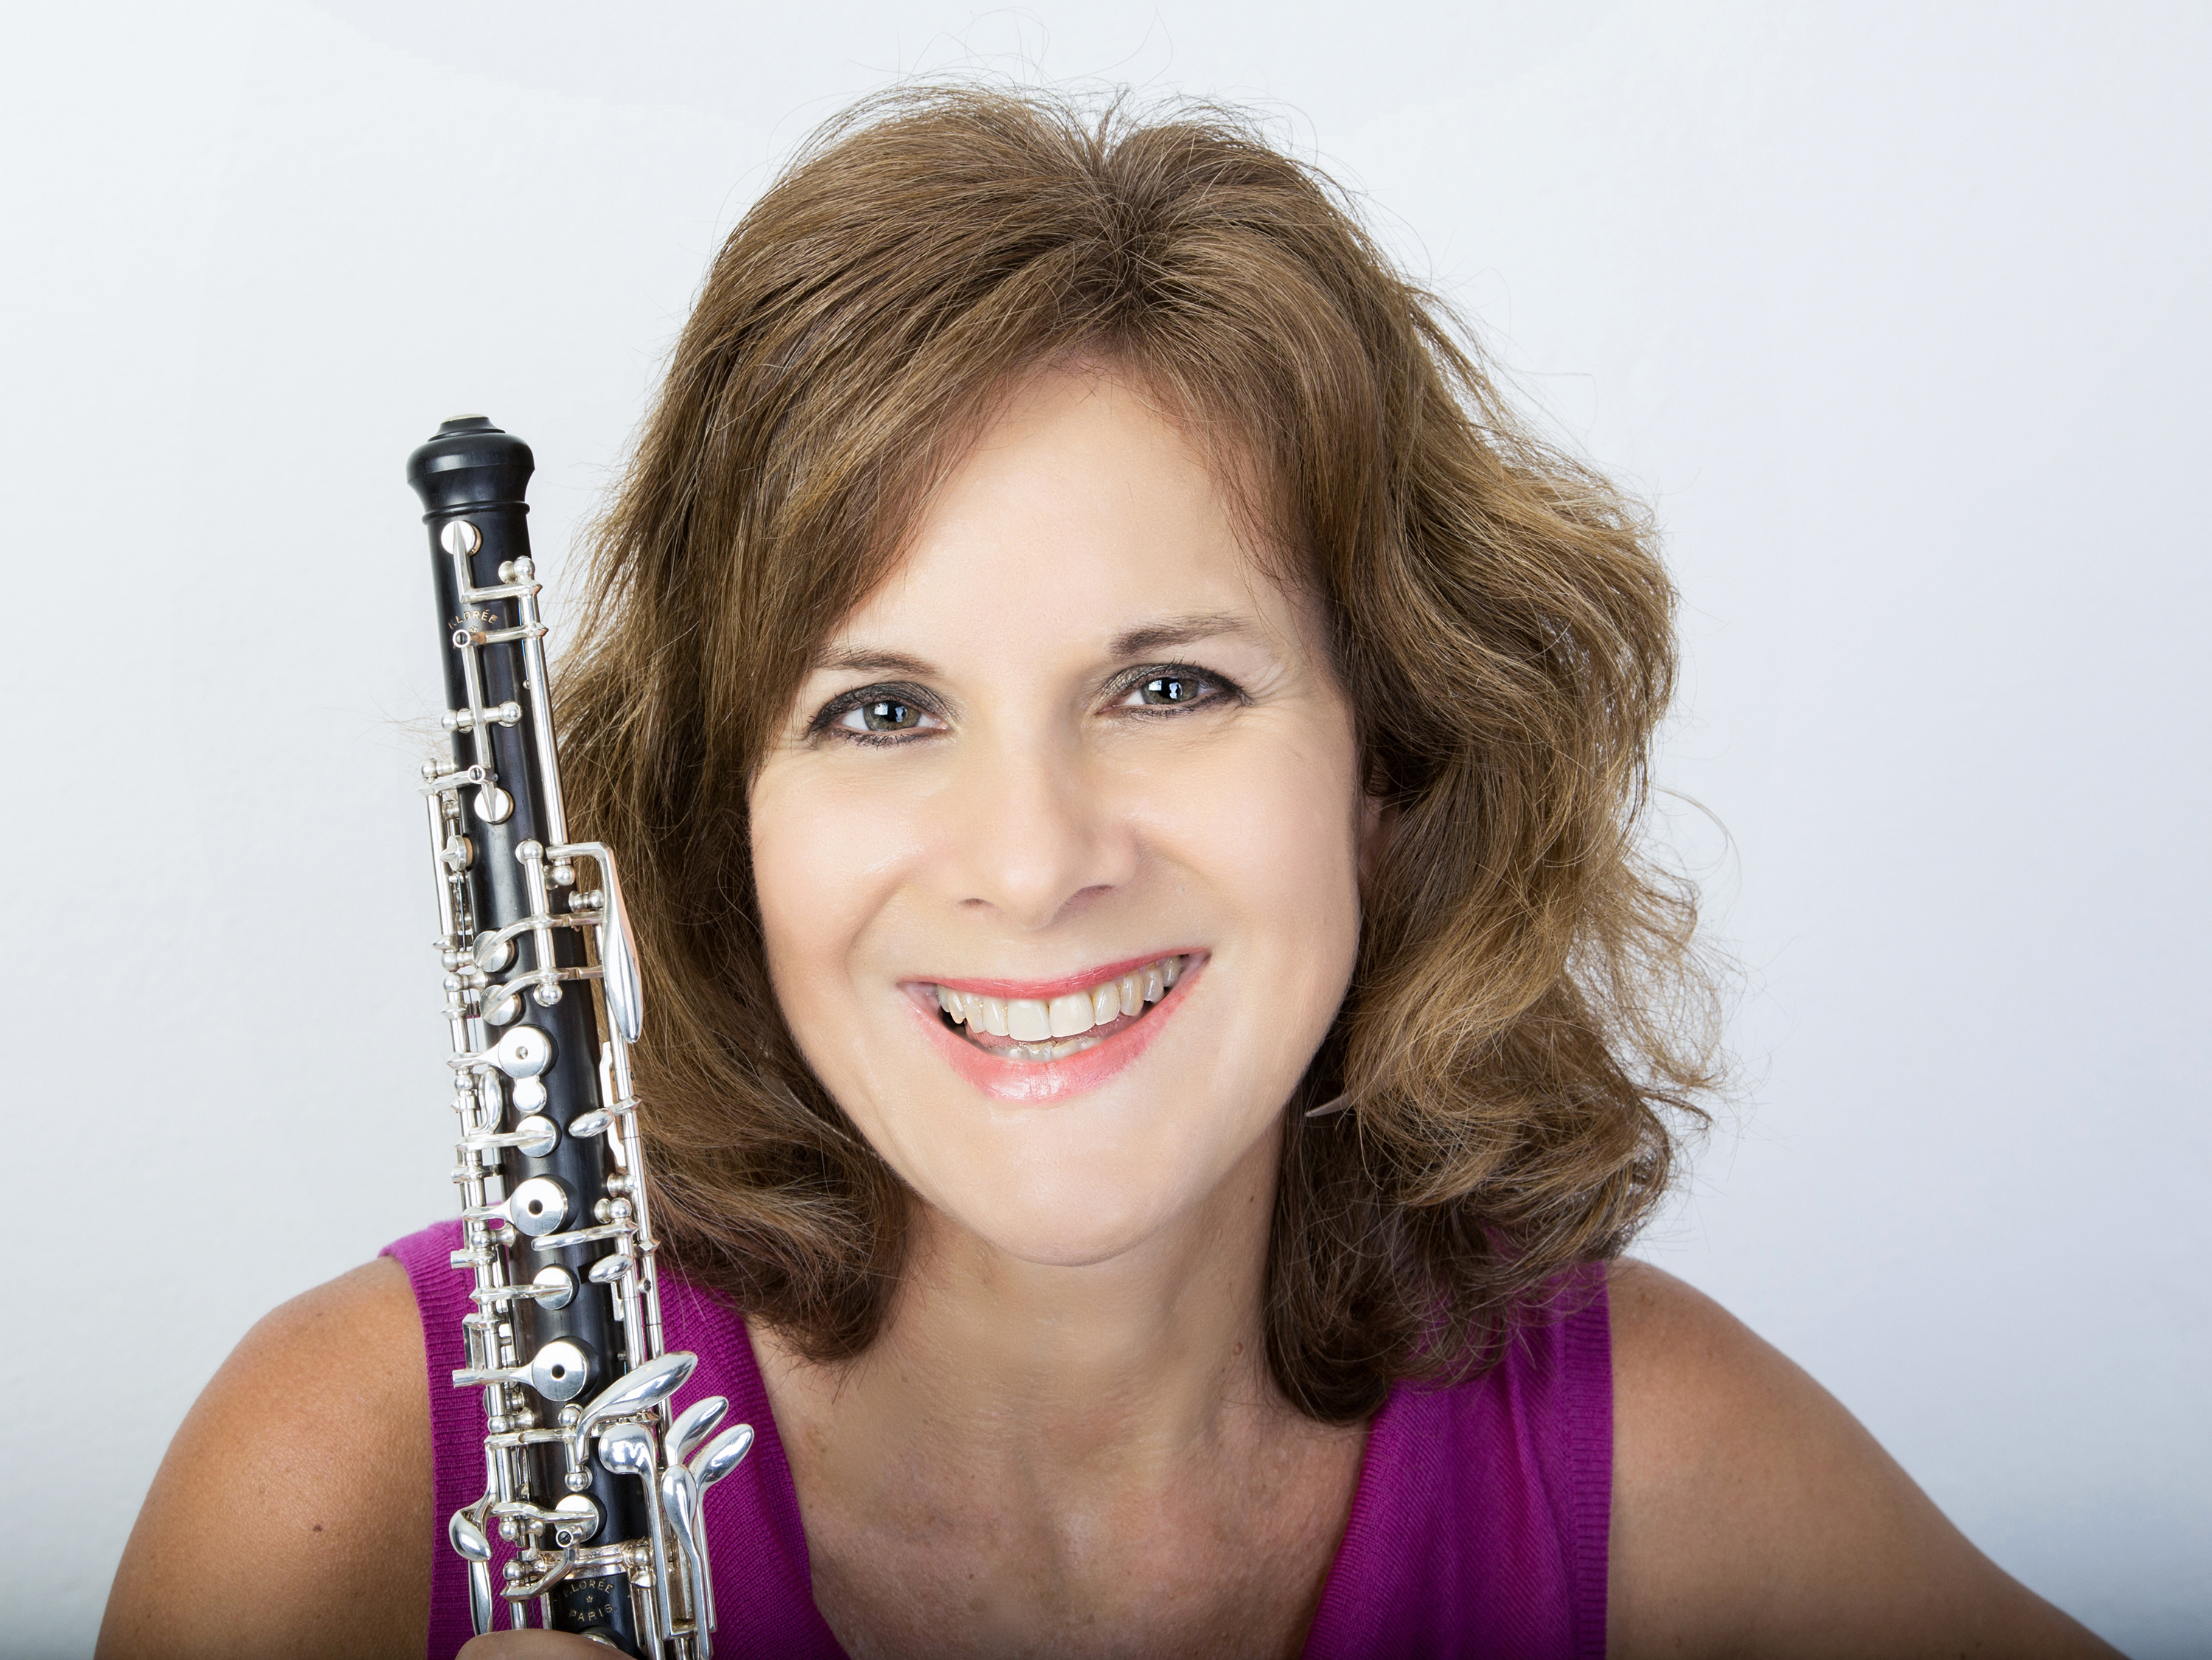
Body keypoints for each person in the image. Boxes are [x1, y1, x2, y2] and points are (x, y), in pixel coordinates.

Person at [97, 86, 2120, 1660]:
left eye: (1169, 684)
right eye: (882, 708)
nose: (1035, 858)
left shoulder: (1654, 1475)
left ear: (1394, 763)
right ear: (727, 826)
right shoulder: (345, 1487)